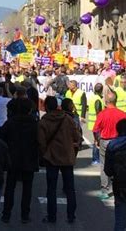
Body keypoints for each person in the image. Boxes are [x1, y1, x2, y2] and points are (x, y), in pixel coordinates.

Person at [38, 96, 81, 224]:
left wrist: (45, 153)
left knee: (51, 189)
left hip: (51, 157)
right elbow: (76, 136)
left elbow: (41, 141)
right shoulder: (67, 119)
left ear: (46, 107)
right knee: (70, 188)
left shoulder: (44, 122)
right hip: (67, 156)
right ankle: (71, 215)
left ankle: (52, 216)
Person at [0, 97, 38, 224]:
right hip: (29, 158)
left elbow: (2, 139)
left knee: (10, 187)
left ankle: (6, 214)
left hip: (13, 159)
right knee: (27, 188)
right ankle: (25, 215)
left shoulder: (10, 122)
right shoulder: (34, 122)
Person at [93, 91, 126, 200]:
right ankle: (119, 188)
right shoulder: (121, 114)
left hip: (105, 141)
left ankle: (105, 190)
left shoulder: (102, 114)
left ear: (106, 102)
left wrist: (97, 140)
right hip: (119, 141)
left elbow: (96, 129)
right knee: (120, 164)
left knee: (104, 164)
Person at [87, 83, 104, 165]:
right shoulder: (97, 99)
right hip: (96, 123)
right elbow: (98, 112)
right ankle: (96, 158)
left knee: (96, 141)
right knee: (98, 141)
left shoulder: (92, 97)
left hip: (92, 123)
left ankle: (95, 158)